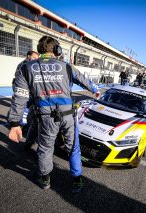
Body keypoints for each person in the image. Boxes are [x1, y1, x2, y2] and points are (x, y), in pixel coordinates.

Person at [7, 35, 100, 192]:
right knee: (73, 147)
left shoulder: (26, 68)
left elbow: (20, 96)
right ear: (57, 50)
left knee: (45, 148)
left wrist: (15, 123)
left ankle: (45, 179)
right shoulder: (66, 66)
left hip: (45, 116)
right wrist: (95, 90)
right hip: (68, 115)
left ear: (39, 50)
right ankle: (77, 179)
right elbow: (84, 79)